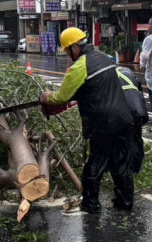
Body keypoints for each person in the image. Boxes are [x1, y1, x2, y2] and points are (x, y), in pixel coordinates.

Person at [40, 27, 134, 213]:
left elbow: (61, 97)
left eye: (67, 50)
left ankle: (90, 205)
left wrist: (45, 97)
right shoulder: (105, 57)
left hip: (100, 122)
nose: (68, 55)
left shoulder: (79, 66)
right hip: (123, 118)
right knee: (121, 162)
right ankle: (125, 204)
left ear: (74, 47)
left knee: (94, 162)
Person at [117, 63, 149, 175]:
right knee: (137, 139)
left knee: (122, 142)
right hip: (138, 110)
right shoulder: (129, 73)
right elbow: (140, 94)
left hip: (123, 112)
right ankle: (136, 170)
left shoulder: (109, 76)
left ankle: (126, 171)